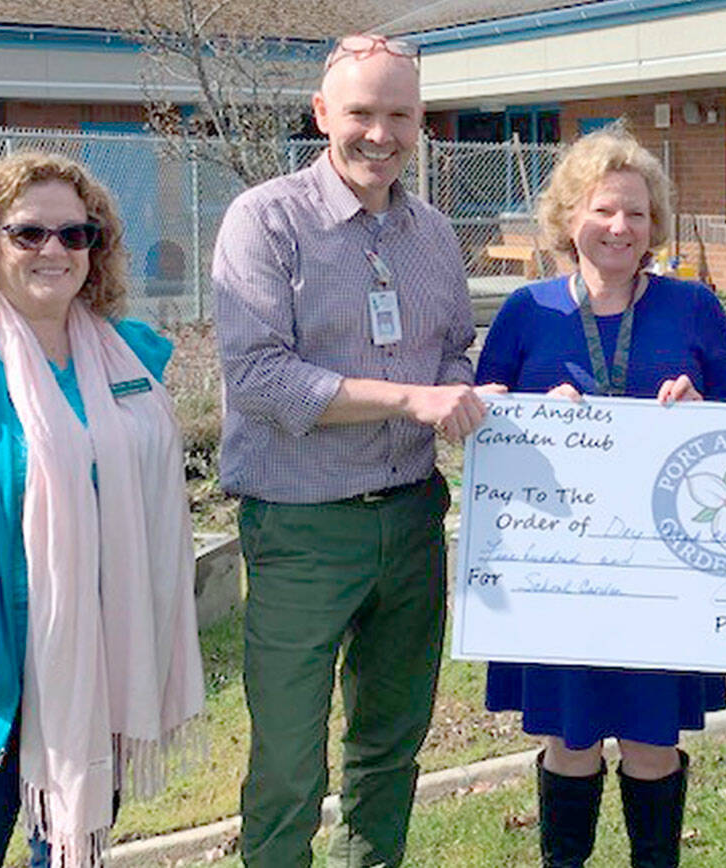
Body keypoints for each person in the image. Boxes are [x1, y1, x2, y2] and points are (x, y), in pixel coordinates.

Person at [212, 31, 499, 868]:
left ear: (421, 121)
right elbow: (262, 376)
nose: (382, 134)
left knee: (390, 744)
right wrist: (413, 397)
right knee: (290, 760)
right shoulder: (266, 221)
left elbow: (452, 351)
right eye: (362, 113)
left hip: (411, 522)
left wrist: (467, 392)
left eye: (400, 115)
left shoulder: (434, 232)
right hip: (303, 529)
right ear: (321, 114)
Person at [478, 126, 726, 868]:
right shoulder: (526, 312)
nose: (620, 227)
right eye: (602, 211)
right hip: (562, 574)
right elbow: (480, 414)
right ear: (569, 218)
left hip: (665, 575)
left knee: (652, 742)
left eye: (635, 213)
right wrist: (527, 411)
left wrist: (704, 409)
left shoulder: (692, 309)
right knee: (569, 740)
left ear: (654, 224)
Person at [0, 151, 205, 868]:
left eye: (75, 234)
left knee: (67, 852)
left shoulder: (128, 355)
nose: (53, 250)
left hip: (102, 658)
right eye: (28, 234)